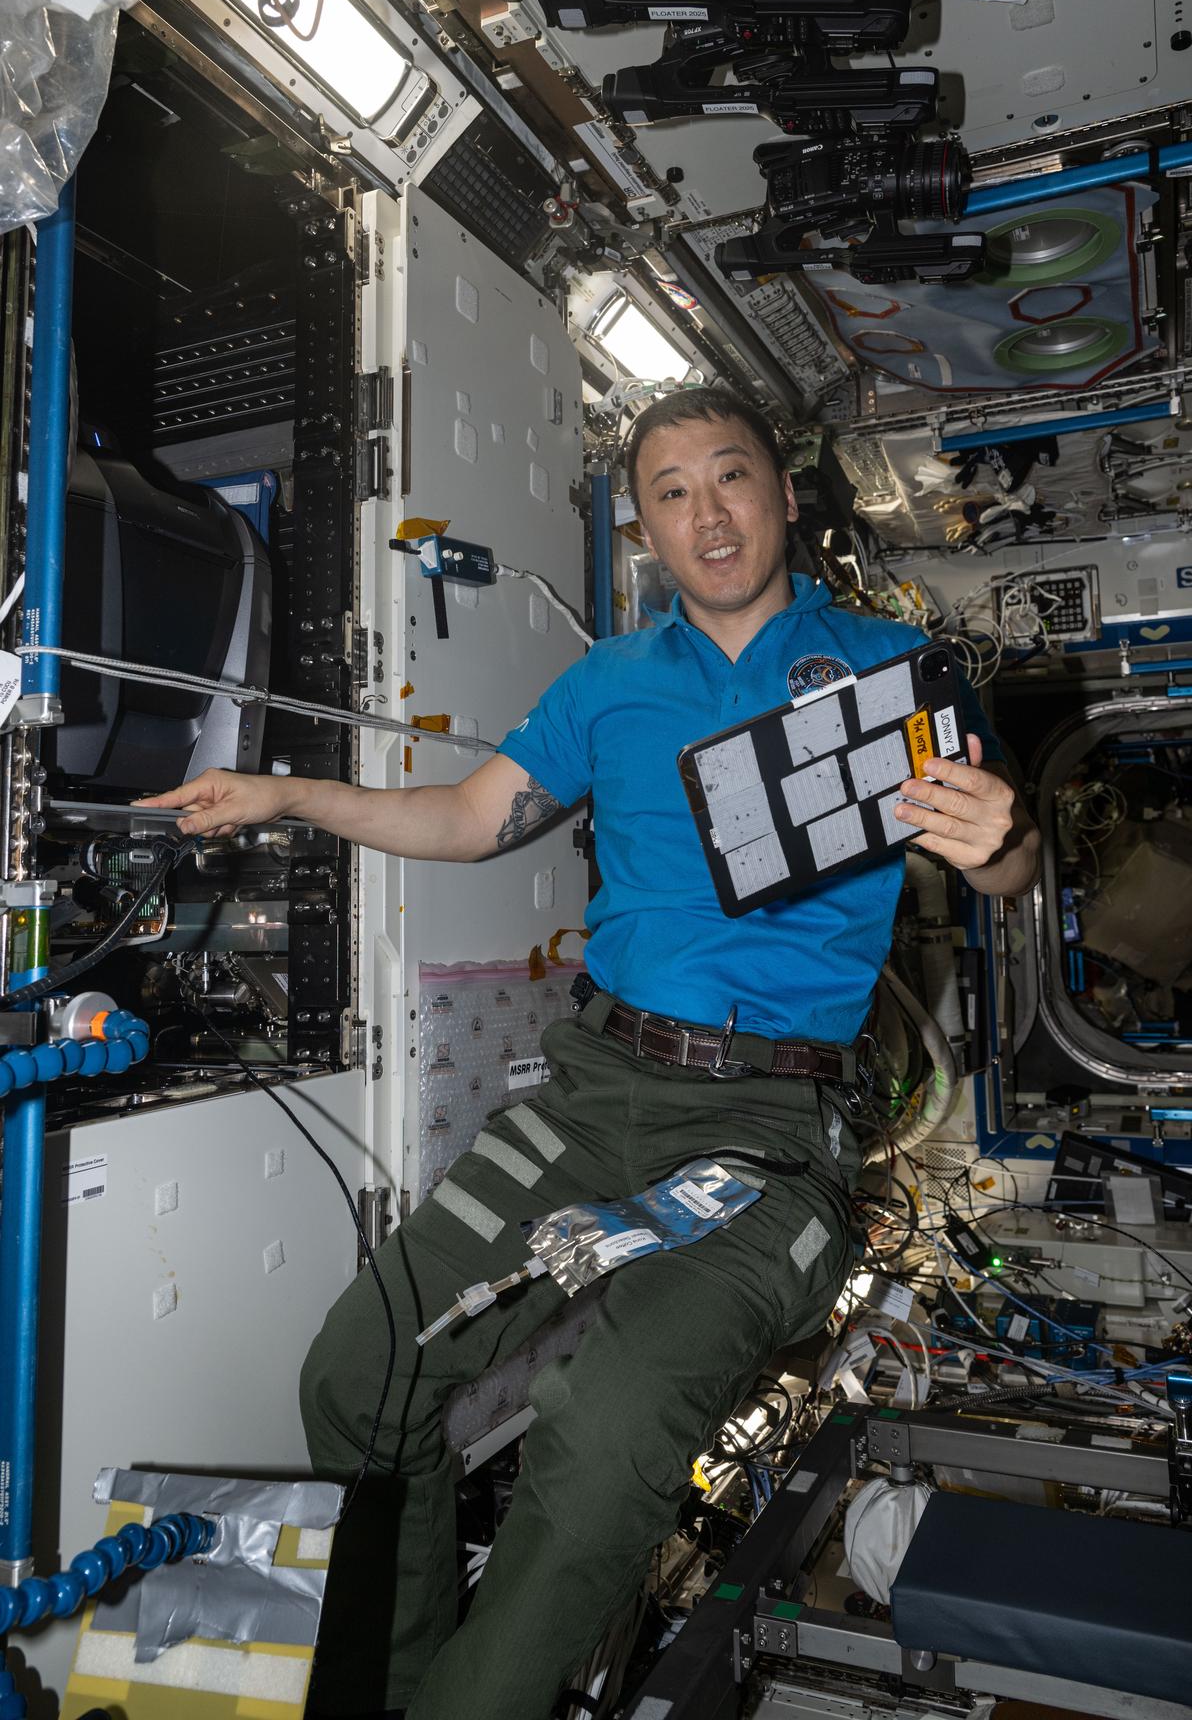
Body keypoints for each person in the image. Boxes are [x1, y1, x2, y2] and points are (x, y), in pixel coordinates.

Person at [139, 386, 1040, 1720]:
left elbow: (1011, 865)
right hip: (590, 1096)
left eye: (730, 478)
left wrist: (1003, 846)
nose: (706, 514)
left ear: (786, 497)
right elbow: (465, 816)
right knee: (359, 1370)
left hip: (771, 1140)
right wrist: (287, 791)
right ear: (643, 531)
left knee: (606, 1423)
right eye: (671, 494)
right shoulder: (607, 686)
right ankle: (397, 1679)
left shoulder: (888, 674)